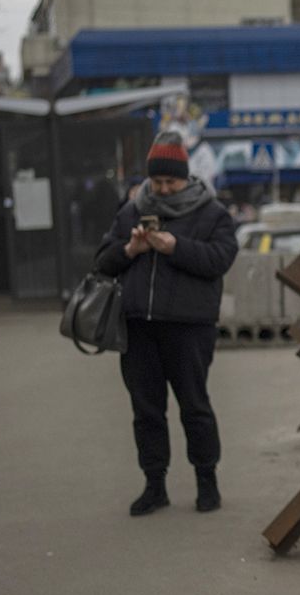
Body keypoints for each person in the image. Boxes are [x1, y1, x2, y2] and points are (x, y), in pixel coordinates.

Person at [94, 132, 239, 516]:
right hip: (138, 328)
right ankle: (154, 485)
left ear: (185, 178)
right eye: (156, 182)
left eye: (169, 182)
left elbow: (220, 259)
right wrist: (130, 249)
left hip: (189, 328)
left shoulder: (211, 214)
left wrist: (175, 247)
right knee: (146, 410)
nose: (161, 189)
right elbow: (103, 260)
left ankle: (207, 482)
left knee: (194, 406)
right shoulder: (131, 211)